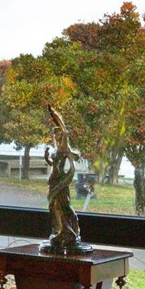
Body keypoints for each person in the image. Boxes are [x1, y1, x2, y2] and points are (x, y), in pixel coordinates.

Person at [41, 105, 90, 253]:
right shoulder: (57, 151)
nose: (56, 137)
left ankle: (66, 231)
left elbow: (65, 130)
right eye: (55, 136)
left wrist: (55, 116)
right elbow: (54, 164)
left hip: (61, 181)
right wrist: (47, 159)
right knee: (54, 206)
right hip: (53, 180)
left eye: (58, 135)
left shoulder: (63, 148)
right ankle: (59, 230)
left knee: (61, 205)